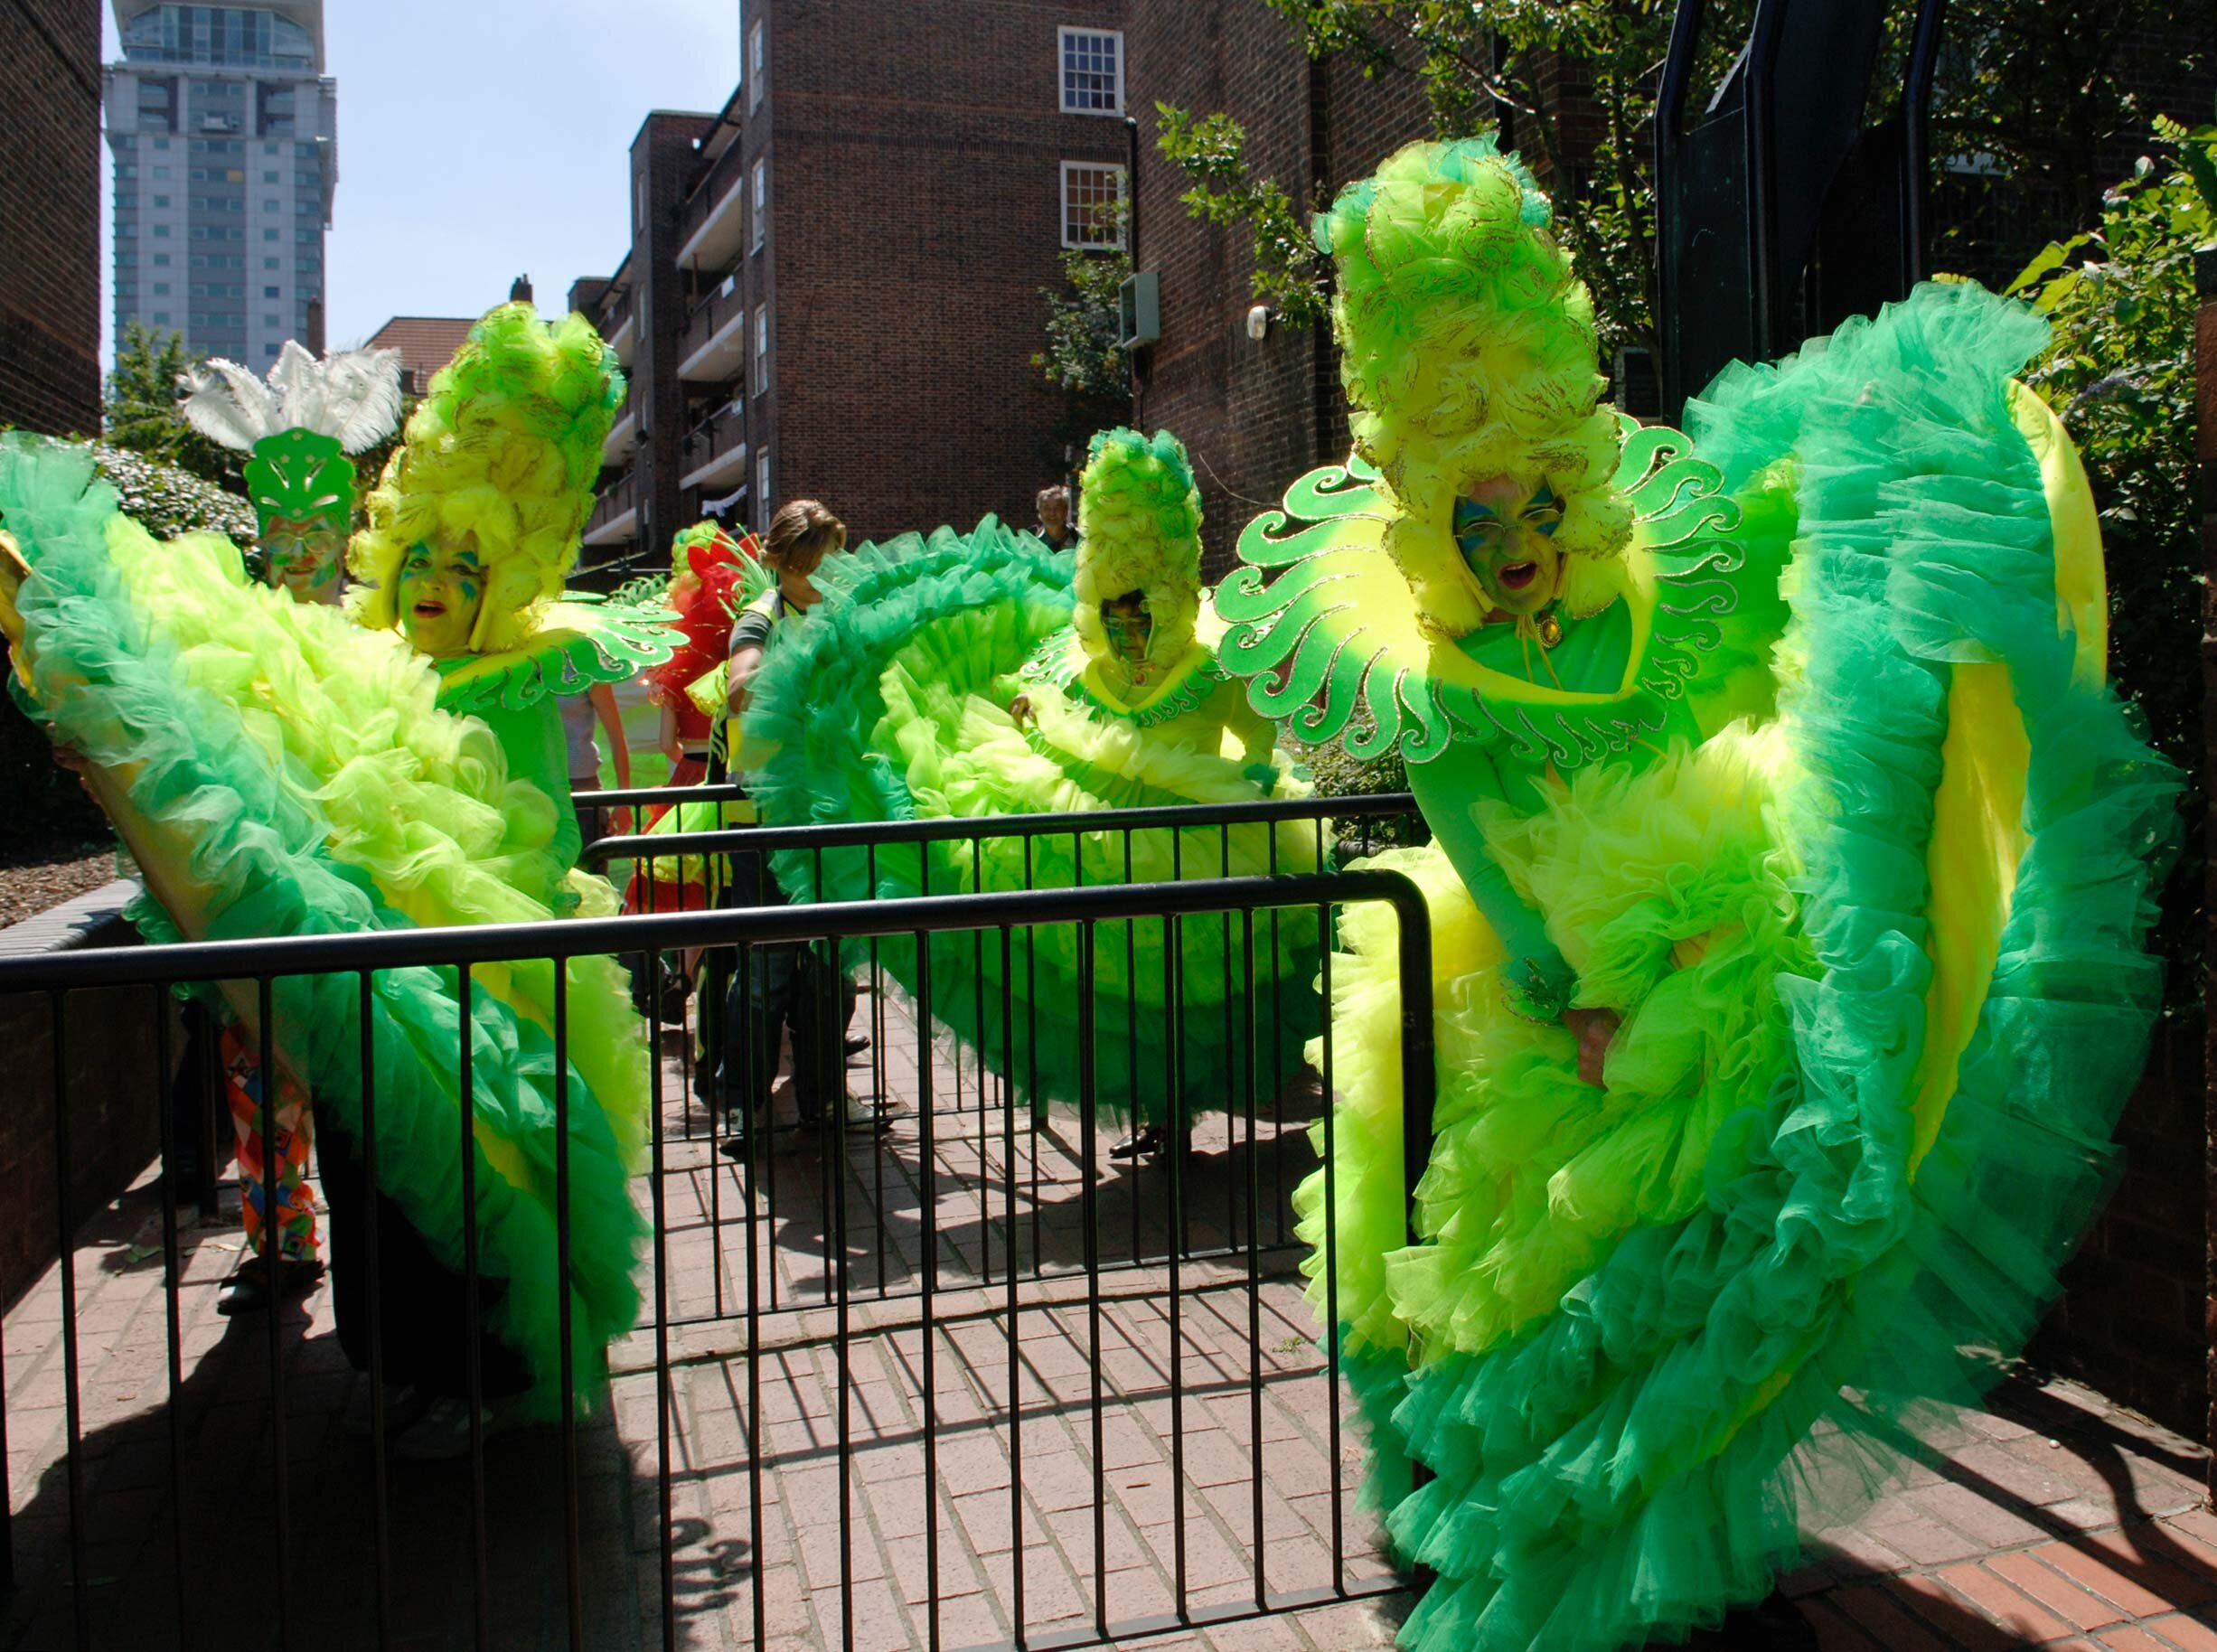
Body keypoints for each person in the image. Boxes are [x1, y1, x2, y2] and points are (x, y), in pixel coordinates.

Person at [1213, 136, 2179, 1650]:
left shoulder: (1637, 583)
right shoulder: (1440, 682)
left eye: (1536, 506)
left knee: (1771, 1243)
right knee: (1591, 1299)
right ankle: (1594, 1563)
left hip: (1719, 925)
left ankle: (1687, 1549)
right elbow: (1485, 857)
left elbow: (1691, 718)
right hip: (1567, 989)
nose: (1519, 546)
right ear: (1427, 513)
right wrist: (1567, 981)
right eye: (1480, 524)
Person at [729, 431, 1321, 1143]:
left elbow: (1255, 741)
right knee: (1121, 995)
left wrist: (1248, 787)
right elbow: (1043, 701)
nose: (1127, 628)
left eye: (1142, 611)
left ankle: (1178, 1111)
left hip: (1196, 846)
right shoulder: (1077, 662)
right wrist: (1028, 710)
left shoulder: (1213, 668)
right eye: (1114, 610)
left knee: (1187, 993)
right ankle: (1162, 1113)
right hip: (1101, 851)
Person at [174, 343, 406, 1313]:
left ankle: (372, 1256)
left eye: (316, 527)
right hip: (248, 889)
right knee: (253, 1073)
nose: (299, 546)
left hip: (353, 889)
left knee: (361, 1088)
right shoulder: (218, 625)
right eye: (283, 528)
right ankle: (282, 1241)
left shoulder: (376, 634)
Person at [707, 498, 877, 1144]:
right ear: (781, 563)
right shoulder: (761, 618)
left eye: (832, 562)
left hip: (831, 810)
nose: (826, 576)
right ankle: (739, 1100)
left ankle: (824, 1097)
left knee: (834, 962)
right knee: (766, 968)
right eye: (814, 565)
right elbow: (739, 685)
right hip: (766, 817)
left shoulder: (843, 615)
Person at [561, 680, 632, 852]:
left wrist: (623, 801)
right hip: (535, 783)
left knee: (590, 867)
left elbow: (616, 736)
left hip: (582, 784)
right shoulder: (522, 667)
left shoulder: (587, 669)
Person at [1029, 483, 1075, 550]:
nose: (1052, 513)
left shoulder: (1079, 540)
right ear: (1039, 512)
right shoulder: (1031, 544)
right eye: (1046, 508)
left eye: (1057, 508)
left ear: (1066, 511)